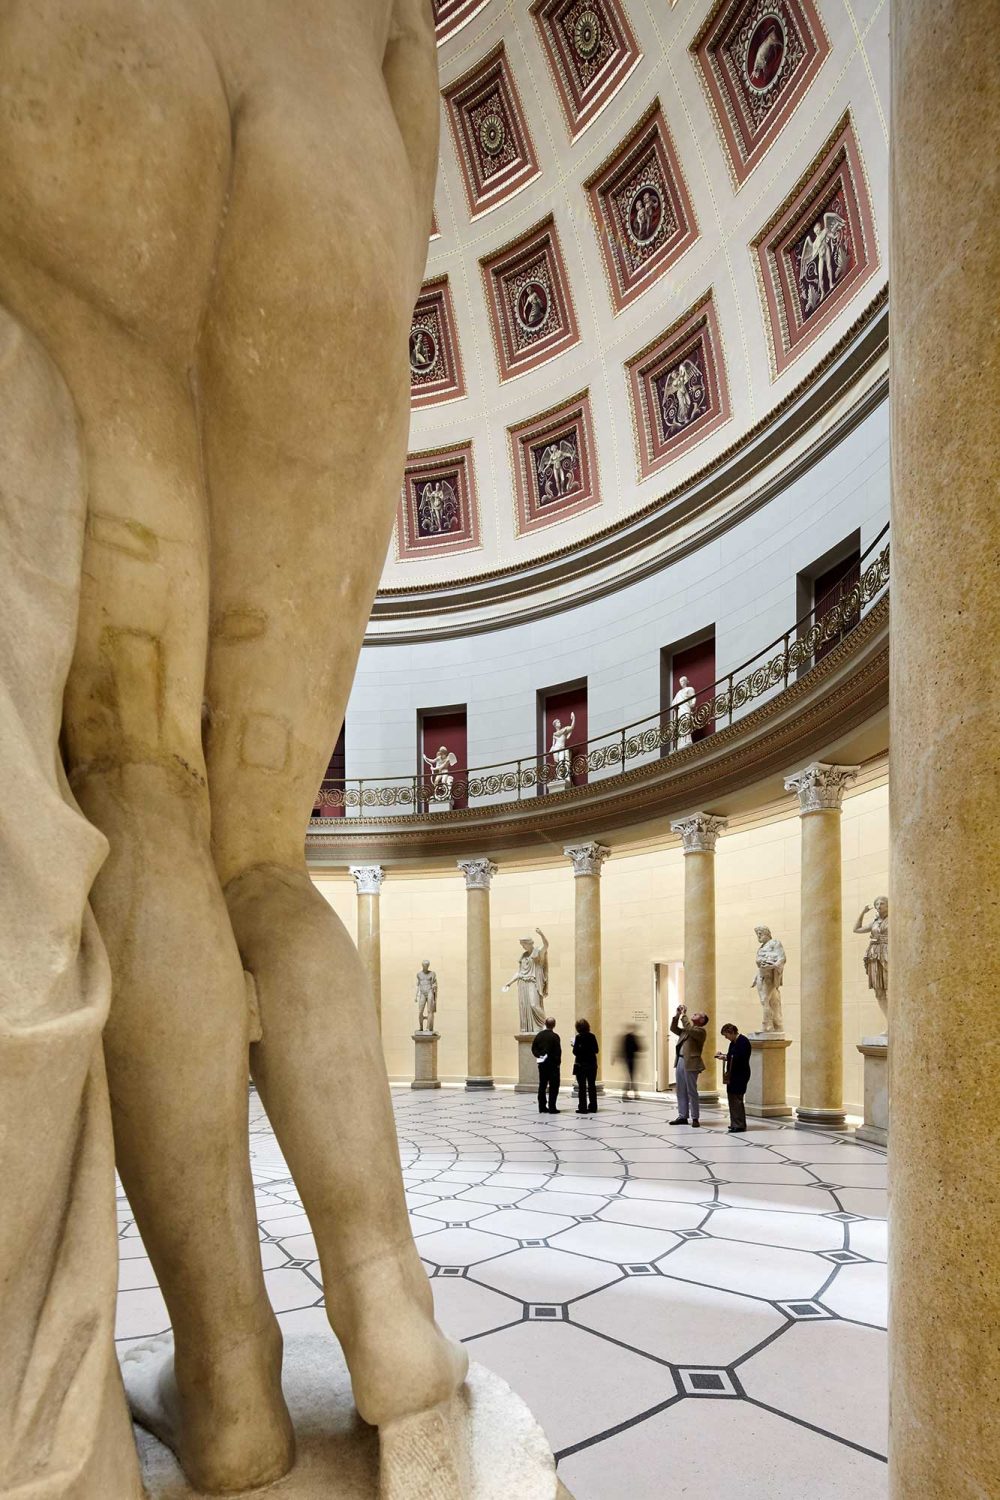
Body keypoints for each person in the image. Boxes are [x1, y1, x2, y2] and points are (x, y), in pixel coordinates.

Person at [669, 1004, 708, 1127]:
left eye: (697, 1014)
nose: (694, 1014)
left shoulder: (700, 1031)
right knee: (680, 1090)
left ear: (701, 1020)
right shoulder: (687, 1030)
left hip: (691, 1062)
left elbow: (689, 1028)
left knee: (692, 1091)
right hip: (680, 1061)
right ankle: (682, 1116)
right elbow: (673, 1028)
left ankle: (695, 1118)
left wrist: (684, 1015)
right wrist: (677, 1015)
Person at [716, 1024, 752, 1133]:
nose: (726, 1037)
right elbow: (732, 1056)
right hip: (733, 1074)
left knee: (737, 1099)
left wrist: (727, 1057)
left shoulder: (743, 1041)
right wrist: (724, 1056)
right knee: (731, 1099)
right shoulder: (733, 1042)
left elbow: (740, 1057)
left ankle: (740, 1124)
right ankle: (734, 1123)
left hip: (740, 1074)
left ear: (731, 1032)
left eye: (726, 1035)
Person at [531, 1017, 562, 1115]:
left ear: (545, 1023)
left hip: (542, 1065)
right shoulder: (555, 1036)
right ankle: (552, 1107)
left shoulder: (539, 1035)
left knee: (542, 1086)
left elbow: (534, 1049)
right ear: (554, 1025)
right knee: (554, 1086)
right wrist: (558, 1063)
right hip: (553, 1065)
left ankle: (542, 1106)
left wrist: (539, 1055)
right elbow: (558, 1051)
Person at [573, 1017, 599, 1114]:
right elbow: (596, 1050)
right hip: (592, 1064)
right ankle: (593, 1106)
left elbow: (575, 1052)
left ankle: (582, 1107)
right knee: (592, 1085)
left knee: (582, 1087)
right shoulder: (592, 1036)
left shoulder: (578, 1037)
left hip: (581, 1065)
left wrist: (576, 1047)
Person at [616, 1029, 642, 1100]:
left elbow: (621, 1049)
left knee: (630, 1077)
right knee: (631, 1078)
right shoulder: (632, 1037)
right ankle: (633, 1094)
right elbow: (638, 1048)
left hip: (627, 1059)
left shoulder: (626, 1037)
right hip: (632, 1059)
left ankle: (628, 1094)